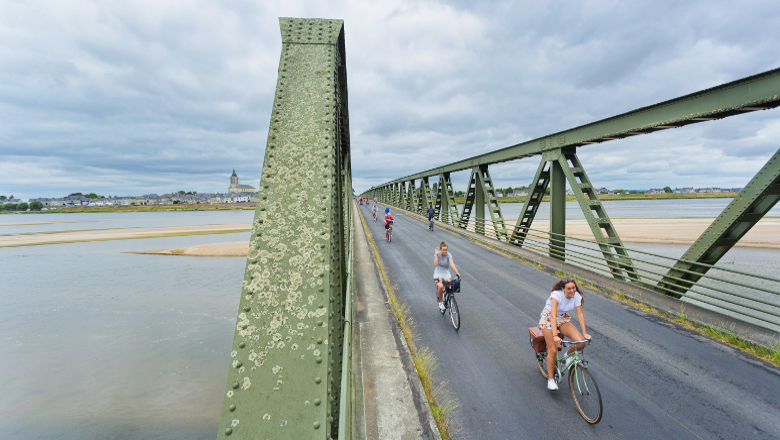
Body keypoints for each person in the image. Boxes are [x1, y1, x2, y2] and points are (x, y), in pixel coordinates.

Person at [539, 277, 590, 391]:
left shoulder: (576, 296)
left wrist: (585, 333)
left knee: (581, 342)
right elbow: (552, 315)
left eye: (573, 288)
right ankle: (551, 380)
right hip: (548, 318)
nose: (572, 291)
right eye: (569, 289)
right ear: (563, 289)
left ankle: (568, 354)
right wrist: (555, 336)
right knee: (552, 350)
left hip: (562, 318)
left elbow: (580, 314)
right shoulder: (556, 295)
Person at [433, 241, 460, 311]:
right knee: (441, 286)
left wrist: (457, 272)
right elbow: (435, 264)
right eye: (443, 250)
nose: (445, 251)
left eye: (446, 250)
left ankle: (449, 298)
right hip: (438, 273)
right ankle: (441, 302)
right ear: (441, 250)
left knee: (449, 286)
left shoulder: (449, 255)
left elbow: (452, 264)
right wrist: (436, 254)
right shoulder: (438, 254)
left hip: (446, 273)